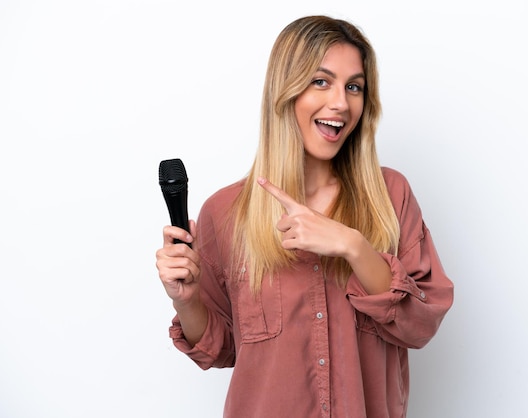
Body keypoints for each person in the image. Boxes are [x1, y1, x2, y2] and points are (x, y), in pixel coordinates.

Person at [156, 15, 454, 418]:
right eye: (321, 81)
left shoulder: (390, 196)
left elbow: (420, 325)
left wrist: (352, 246)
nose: (340, 103)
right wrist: (187, 301)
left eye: (354, 87)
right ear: (286, 91)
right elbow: (221, 350)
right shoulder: (224, 213)